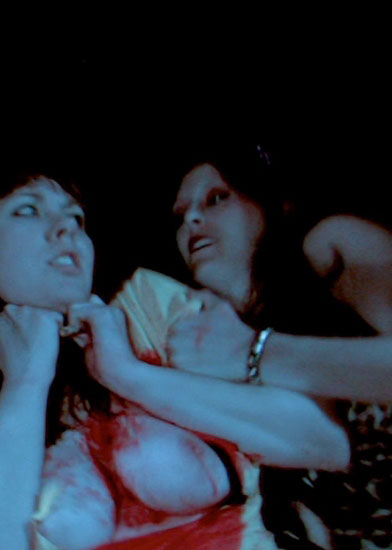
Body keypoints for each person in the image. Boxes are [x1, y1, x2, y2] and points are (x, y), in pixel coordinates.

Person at [0, 171, 348, 550]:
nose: (66, 228)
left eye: (75, 217)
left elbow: (322, 443)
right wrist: (25, 383)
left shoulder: (142, 303)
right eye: (28, 210)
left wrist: (128, 375)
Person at [165, 146, 392, 549]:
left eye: (217, 198)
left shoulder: (330, 246)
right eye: (180, 216)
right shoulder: (199, 341)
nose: (191, 220)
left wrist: (253, 352)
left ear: (268, 206)